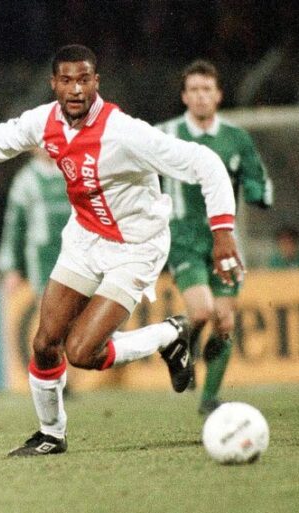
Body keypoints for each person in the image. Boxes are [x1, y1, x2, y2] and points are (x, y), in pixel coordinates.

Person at [0, 45, 242, 457]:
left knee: (82, 352)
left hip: (136, 245)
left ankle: (170, 335)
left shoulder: (124, 133)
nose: (75, 89)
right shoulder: (45, 121)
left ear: (96, 82)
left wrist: (223, 233)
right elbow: (1, 140)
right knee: (44, 342)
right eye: (67, 80)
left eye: (84, 80)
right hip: (85, 239)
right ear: (53, 84)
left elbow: (206, 163)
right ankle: (51, 435)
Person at [159, 60, 273, 415]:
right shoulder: (165, 134)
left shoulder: (237, 139)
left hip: (224, 241)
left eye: (206, 89)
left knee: (224, 322)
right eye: (193, 90)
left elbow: (258, 179)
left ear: (218, 95)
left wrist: (257, 191)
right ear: (184, 96)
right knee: (202, 310)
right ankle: (185, 348)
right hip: (183, 238)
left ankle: (209, 399)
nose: (200, 96)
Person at [0, 150, 69, 298]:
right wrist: (12, 268)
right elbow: (14, 225)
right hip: (44, 256)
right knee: (47, 303)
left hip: (77, 253)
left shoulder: (76, 170)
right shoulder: (26, 179)